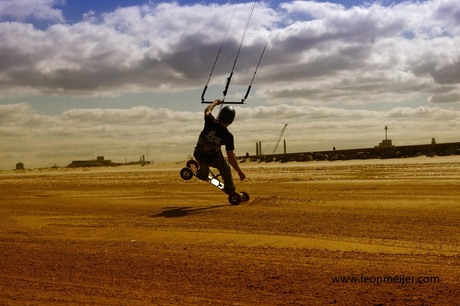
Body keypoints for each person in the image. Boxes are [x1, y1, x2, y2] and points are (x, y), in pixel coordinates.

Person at [194, 98, 246, 194]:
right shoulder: (228, 136)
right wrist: (239, 172)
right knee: (225, 168)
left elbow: (207, 111)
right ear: (231, 121)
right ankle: (230, 189)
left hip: (198, 154)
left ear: (220, 115)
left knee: (204, 172)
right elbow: (231, 158)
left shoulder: (210, 121)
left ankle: (203, 173)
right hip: (213, 158)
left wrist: (215, 103)